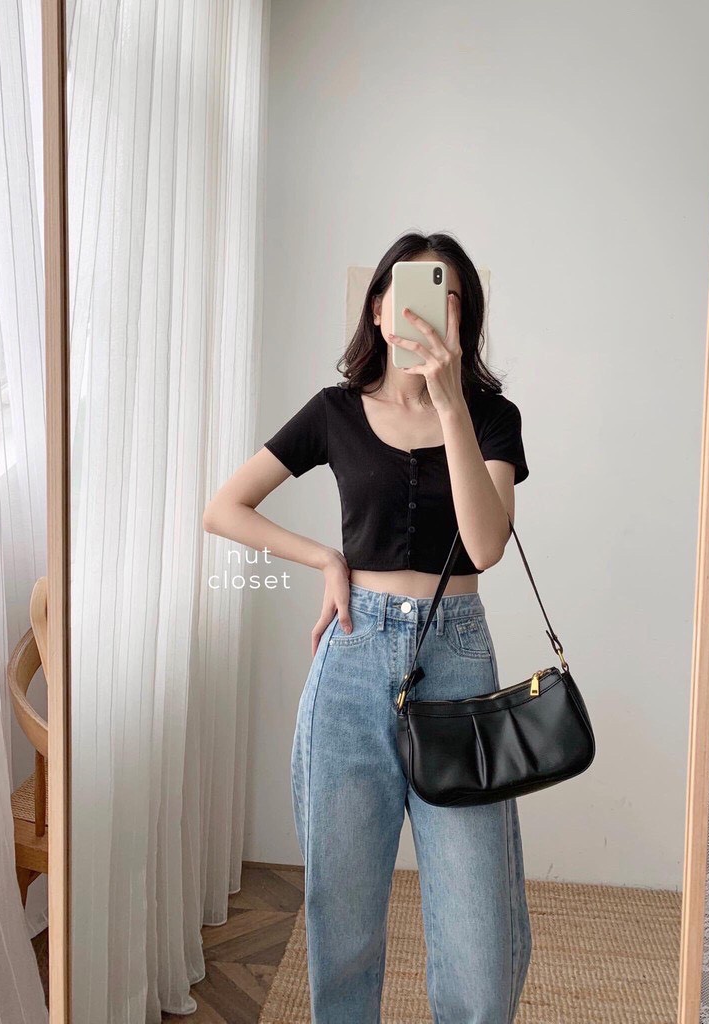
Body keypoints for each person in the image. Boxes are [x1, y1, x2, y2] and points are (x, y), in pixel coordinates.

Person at [202, 232, 533, 1022]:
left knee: (480, 939)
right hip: (351, 664)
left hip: (457, 660)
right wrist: (326, 559)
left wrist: (448, 403)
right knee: (342, 922)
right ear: (380, 310)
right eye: (412, 295)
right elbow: (224, 508)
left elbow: (485, 545)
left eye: (450, 299)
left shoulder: (490, 418)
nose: (428, 312)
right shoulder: (335, 412)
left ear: (464, 321)